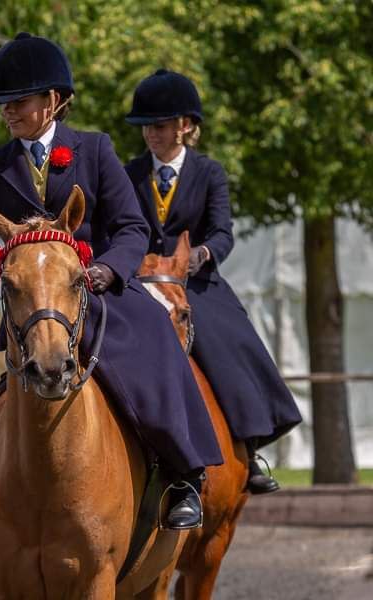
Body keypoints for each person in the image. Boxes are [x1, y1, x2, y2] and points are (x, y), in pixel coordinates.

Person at [0, 35, 222, 528]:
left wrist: (106, 270)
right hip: (33, 301)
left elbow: (131, 228)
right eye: (2, 105)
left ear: (53, 101)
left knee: (157, 337)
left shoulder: (95, 149)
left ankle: (187, 475)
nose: (7, 112)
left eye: (17, 102)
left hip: (96, 291)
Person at [124, 69, 303, 493]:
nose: (151, 134)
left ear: (185, 126)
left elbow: (223, 231)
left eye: (161, 126)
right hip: (144, 280)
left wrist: (201, 255)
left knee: (230, 341)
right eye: (147, 126)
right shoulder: (129, 173)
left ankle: (248, 444)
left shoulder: (210, 173)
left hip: (196, 281)